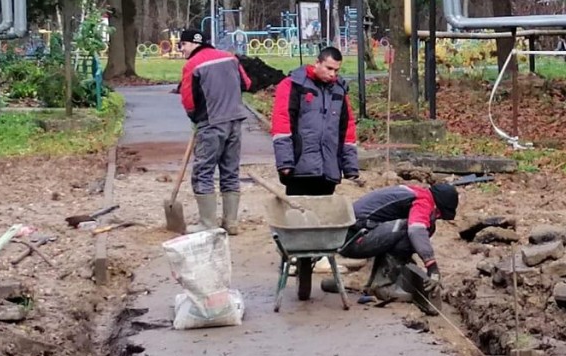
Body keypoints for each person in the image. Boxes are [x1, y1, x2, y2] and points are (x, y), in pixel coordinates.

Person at [179, 28, 252, 234]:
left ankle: (208, 223)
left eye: (182, 45)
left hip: (211, 123)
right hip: (235, 121)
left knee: (204, 172)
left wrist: (195, 118)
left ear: (193, 44)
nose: (182, 50)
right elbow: (246, 83)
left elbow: (188, 99)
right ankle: (231, 222)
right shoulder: (230, 58)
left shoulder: (192, 65)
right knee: (230, 171)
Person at [337, 183, 459, 303]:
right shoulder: (424, 201)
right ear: (437, 206)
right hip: (353, 239)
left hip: (346, 236)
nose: (437, 217)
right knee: (409, 229)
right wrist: (432, 266)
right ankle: (383, 287)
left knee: (424, 228)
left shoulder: (415, 192)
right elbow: (416, 229)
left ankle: (377, 282)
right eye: (439, 214)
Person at [270, 46, 358, 195]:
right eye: (329, 68)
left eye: (336, 70)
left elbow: (347, 130)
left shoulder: (339, 90)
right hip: (299, 168)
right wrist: (285, 162)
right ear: (317, 63)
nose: (332, 74)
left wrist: (350, 166)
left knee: (325, 215)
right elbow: (281, 124)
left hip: (329, 170)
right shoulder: (293, 85)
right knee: (299, 214)